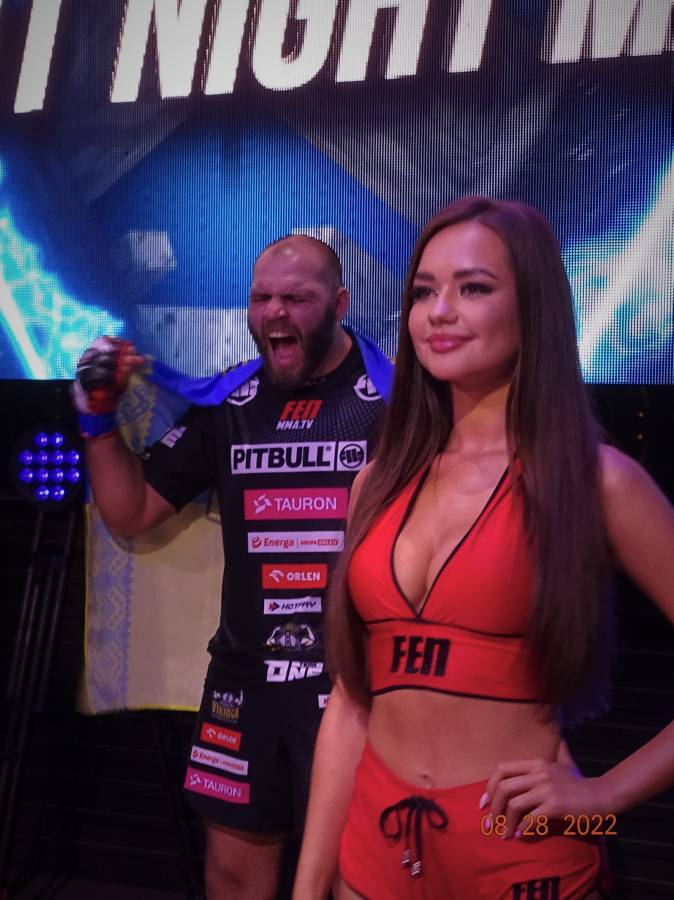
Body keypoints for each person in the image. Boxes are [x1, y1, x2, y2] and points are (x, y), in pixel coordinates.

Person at [292, 198, 674, 899]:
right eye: (423, 292)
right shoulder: (377, 481)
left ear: (533, 306)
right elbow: (351, 701)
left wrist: (607, 793)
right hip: (375, 852)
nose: (439, 312)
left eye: (472, 288)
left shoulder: (597, 482)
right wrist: (307, 885)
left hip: (519, 851)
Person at [72, 235, 392, 900]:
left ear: (340, 304)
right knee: (233, 879)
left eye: (296, 298)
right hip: (243, 684)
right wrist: (97, 420)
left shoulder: (395, 400)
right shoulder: (230, 402)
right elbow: (130, 511)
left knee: (353, 876)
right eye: (261, 297)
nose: (274, 312)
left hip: (357, 685)